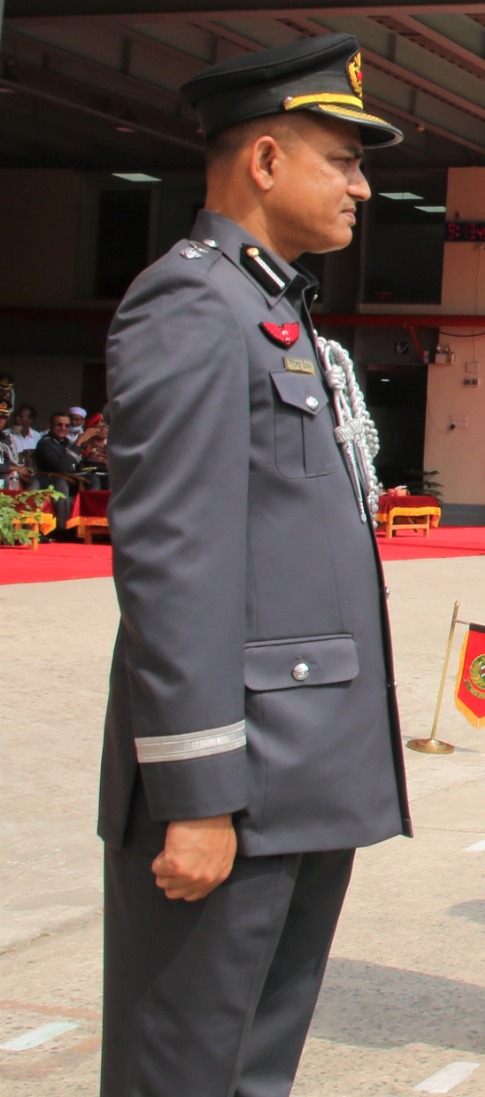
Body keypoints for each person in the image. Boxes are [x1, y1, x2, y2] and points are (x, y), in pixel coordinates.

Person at [98, 34, 410, 1097]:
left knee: (253, 1073)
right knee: (183, 1072)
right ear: (267, 161)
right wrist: (195, 795)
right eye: (344, 161)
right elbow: (173, 561)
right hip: (234, 782)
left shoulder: (273, 310)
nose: (362, 187)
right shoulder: (192, 303)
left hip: (302, 774)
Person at [32, 411, 83, 538]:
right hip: (47, 479)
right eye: (59, 425)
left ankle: (88, 525)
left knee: (94, 479)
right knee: (61, 484)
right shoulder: (45, 443)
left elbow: (76, 465)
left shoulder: (66, 443)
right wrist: (78, 443)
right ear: (50, 425)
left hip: (71, 478)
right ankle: (62, 528)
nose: (63, 428)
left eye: (67, 426)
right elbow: (61, 468)